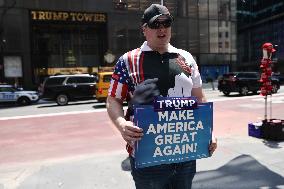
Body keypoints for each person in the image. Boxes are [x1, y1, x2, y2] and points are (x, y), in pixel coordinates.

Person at [106, 4, 217, 189]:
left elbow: (199, 99)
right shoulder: (128, 60)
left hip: (185, 156)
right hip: (148, 158)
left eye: (166, 23)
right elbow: (113, 99)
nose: (162, 29)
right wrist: (121, 124)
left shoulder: (187, 58)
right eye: (155, 24)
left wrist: (208, 133)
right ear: (144, 29)